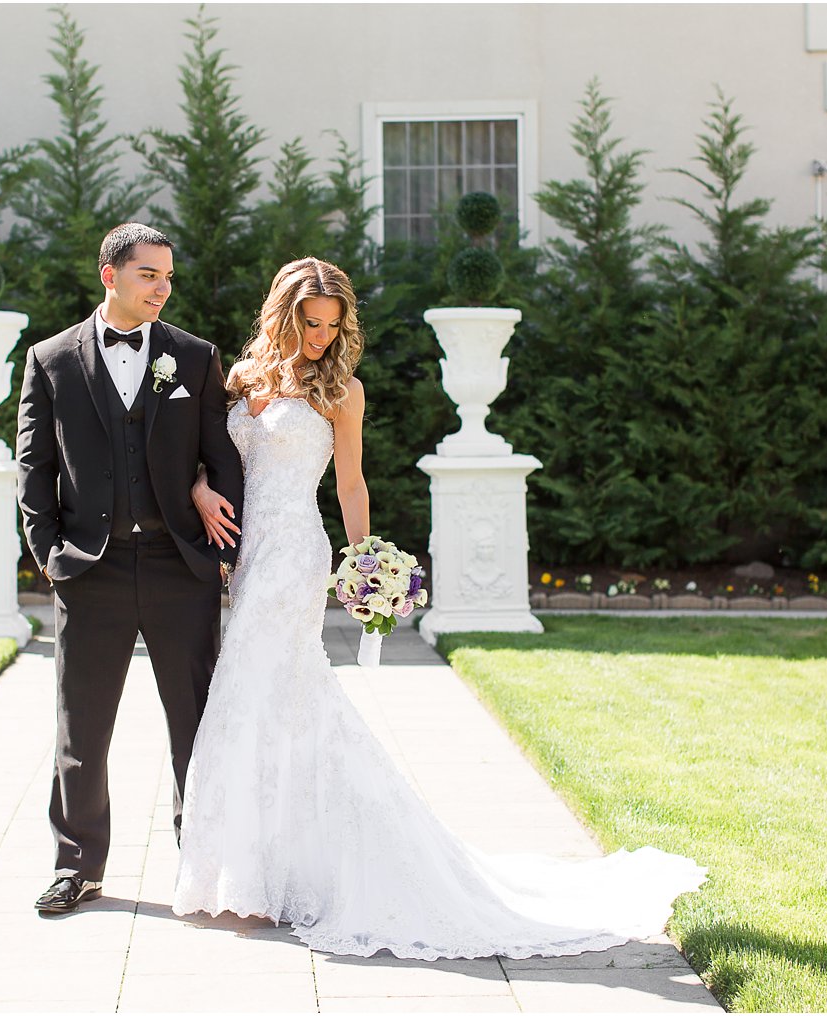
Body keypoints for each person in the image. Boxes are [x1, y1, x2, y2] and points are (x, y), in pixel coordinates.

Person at [176, 257, 705, 960]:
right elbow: (208, 458)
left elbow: (352, 484)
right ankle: (257, 867)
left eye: (333, 326)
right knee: (258, 702)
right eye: (311, 323)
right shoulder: (241, 380)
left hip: (295, 555)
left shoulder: (343, 391)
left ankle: (276, 874)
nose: (321, 338)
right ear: (284, 314)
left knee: (255, 689)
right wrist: (199, 489)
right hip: (246, 557)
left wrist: (363, 565)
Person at [15, 223, 244, 914]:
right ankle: (77, 866)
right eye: (149, 275)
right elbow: (34, 465)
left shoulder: (194, 358)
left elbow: (222, 455)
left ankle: (199, 863)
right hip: (93, 569)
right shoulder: (50, 360)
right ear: (109, 275)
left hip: (180, 566)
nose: (163, 288)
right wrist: (51, 554)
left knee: (196, 723)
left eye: (168, 277)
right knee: (81, 725)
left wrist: (220, 547)